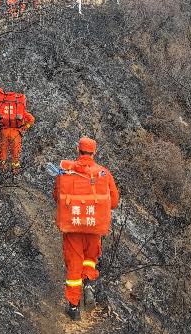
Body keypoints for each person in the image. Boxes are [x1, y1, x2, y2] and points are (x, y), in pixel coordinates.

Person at [53, 137, 120, 321]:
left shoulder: (66, 172)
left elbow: (57, 196)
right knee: (90, 259)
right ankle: (88, 284)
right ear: (94, 152)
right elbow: (114, 202)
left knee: (74, 265)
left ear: (78, 149)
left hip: (73, 227)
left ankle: (74, 308)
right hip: (93, 226)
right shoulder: (104, 173)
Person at [0, 89, 35, 174]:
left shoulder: (1, 105)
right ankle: (15, 171)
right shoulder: (20, 109)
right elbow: (32, 119)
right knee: (15, 152)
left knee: (3, 150)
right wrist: (24, 128)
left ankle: (2, 169)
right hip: (16, 132)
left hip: (4, 131)